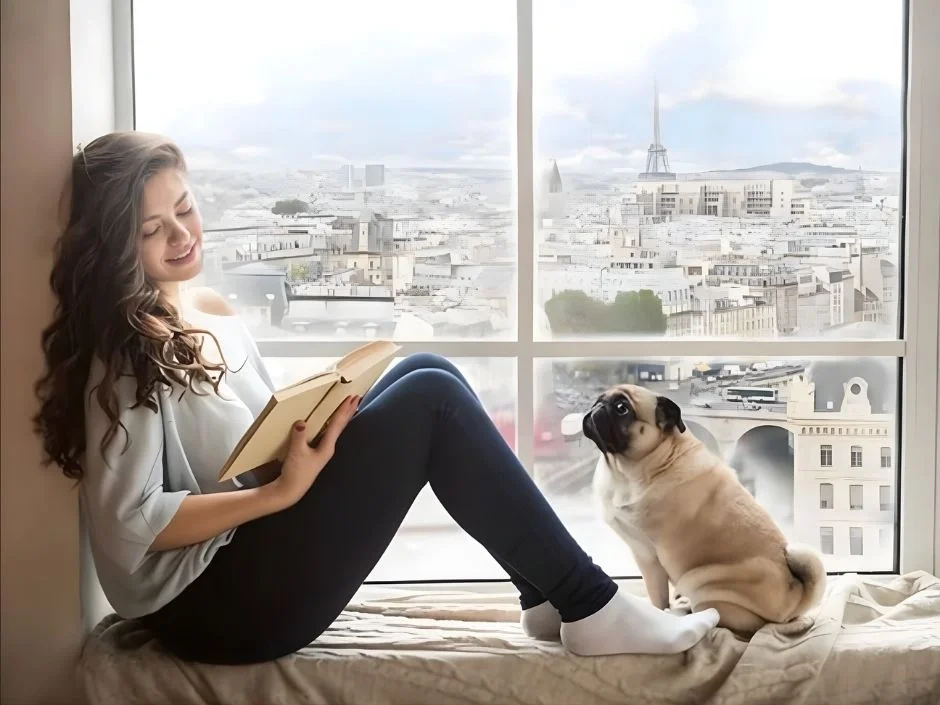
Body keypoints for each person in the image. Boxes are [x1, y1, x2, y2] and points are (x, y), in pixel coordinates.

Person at [34, 132, 719, 665]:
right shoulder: (125, 354)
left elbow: (251, 440)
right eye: (153, 229)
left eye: (184, 208)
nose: (182, 235)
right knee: (431, 401)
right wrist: (278, 494)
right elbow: (131, 524)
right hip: (216, 607)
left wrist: (321, 415)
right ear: (116, 245)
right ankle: (591, 604)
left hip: (250, 555)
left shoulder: (206, 310)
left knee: (427, 367)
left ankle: (546, 596)